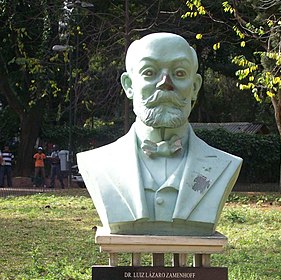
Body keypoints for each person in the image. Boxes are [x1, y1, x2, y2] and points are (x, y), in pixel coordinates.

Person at [78, 32, 242, 236]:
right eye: (149, 72)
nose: (165, 82)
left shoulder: (224, 165)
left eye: (180, 73)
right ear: (129, 86)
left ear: (195, 87)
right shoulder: (98, 164)